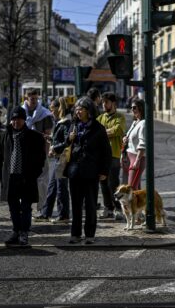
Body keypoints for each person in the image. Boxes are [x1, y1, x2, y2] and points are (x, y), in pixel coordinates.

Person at [0, 106, 46, 246]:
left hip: (26, 177)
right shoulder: (5, 135)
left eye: (19, 119)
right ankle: (16, 231)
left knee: (26, 206)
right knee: (13, 206)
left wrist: (35, 172)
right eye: (14, 119)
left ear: (24, 120)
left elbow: (41, 157)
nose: (16, 122)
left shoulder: (34, 136)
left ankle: (24, 232)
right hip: (10, 177)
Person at [64, 97, 112, 244]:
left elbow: (106, 152)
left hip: (91, 172)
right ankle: (75, 234)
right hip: (74, 171)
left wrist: (104, 171)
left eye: (82, 109)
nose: (78, 112)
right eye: (77, 109)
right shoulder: (74, 126)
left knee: (90, 205)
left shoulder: (98, 128)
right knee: (76, 205)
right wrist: (69, 139)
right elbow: (65, 145)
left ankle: (90, 235)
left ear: (89, 111)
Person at [22, 89, 54, 221]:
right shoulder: (21, 112)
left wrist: (46, 154)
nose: (34, 101)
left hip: (40, 153)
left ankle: (42, 208)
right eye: (31, 98)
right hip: (24, 153)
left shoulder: (44, 114)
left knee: (42, 182)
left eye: (35, 98)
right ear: (26, 97)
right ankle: (25, 207)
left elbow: (47, 135)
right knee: (24, 181)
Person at [39, 97, 71, 224]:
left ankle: (63, 215)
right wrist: (51, 138)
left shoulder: (66, 122)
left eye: (52, 110)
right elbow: (60, 139)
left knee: (61, 188)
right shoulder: (60, 122)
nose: (51, 113)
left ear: (59, 109)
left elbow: (66, 142)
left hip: (62, 159)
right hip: (59, 158)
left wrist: (53, 147)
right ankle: (45, 213)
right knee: (52, 187)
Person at [97, 92, 126, 220]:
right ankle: (107, 207)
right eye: (103, 102)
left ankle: (118, 208)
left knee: (113, 183)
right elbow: (95, 131)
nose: (104, 104)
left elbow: (118, 130)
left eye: (106, 102)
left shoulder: (120, 117)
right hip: (101, 156)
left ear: (113, 103)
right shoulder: (100, 118)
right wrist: (107, 132)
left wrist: (102, 132)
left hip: (114, 154)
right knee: (103, 183)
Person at [122, 98, 146, 191]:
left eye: (134, 107)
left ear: (141, 108)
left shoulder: (143, 123)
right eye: (131, 107)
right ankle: (141, 205)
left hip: (136, 158)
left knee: (131, 188)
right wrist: (126, 138)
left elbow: (142, 144)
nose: (132, 110)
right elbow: (130, 136)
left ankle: (134, 205)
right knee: (136, 188)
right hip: (129, 157)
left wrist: (137, 160)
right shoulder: (135, 122)